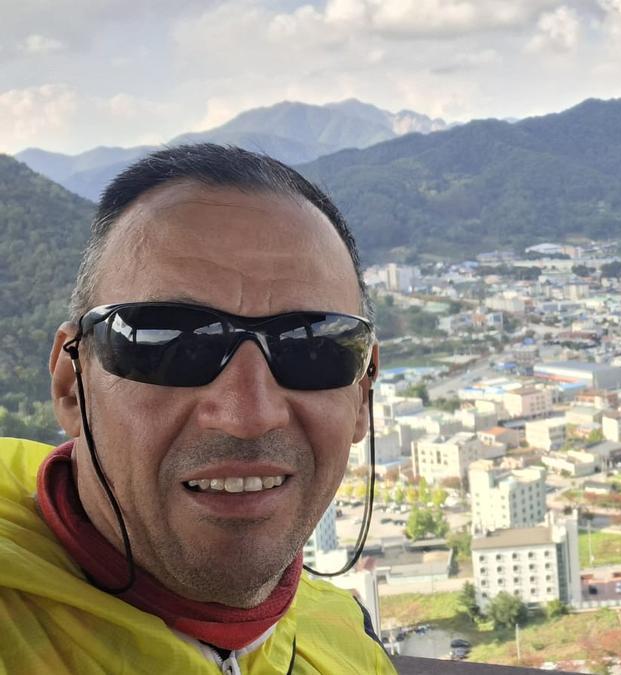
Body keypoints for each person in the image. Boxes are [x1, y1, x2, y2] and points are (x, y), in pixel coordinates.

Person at [0, 144, 395, 673]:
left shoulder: (344, 634)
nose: (247, 415)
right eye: (170, 344)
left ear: (362, 396)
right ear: (72, 385)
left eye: (314, 347)